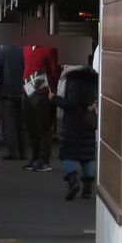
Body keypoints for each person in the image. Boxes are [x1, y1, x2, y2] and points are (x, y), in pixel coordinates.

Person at [52, 63, 98, 198]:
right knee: (86, 156)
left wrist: (54, 98)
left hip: (72, 124)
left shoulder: (73, 80)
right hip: (89, 122)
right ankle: (88, 189)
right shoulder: (93, 79)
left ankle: (73, 181)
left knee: (67, 155)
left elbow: (71, 103)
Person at [22, 43, 61, 172]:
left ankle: (44, 160)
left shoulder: (49, 48)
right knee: (30, 127)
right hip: (27, 91)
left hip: (42, 92)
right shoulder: (26, 48)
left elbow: (54, 70)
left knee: (43, 127)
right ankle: (35, 157)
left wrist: (52, 90)